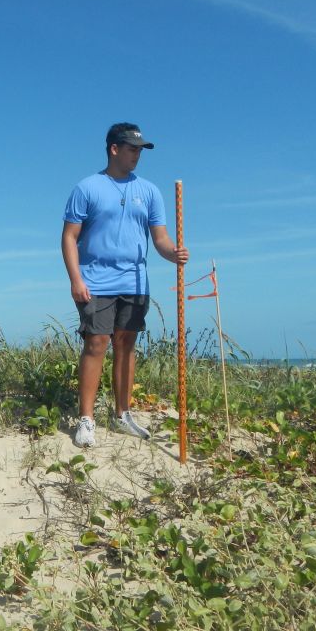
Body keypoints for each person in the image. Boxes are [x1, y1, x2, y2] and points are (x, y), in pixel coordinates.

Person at [61, 122, 188, 448]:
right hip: (95, 280)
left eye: (140, 150)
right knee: (96, 343)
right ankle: (86, 419)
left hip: (134, 282)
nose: (137, 155)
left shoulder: (149, 191)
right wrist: (76, 279)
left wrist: (174, 253)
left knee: (126, 345)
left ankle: (122, 413)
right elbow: (69, 237)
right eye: (132, 149)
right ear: (114, 148)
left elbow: (159, 239)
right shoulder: (87, 188)